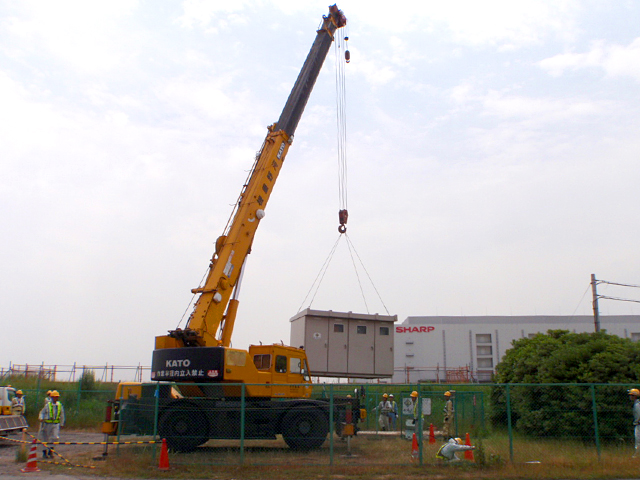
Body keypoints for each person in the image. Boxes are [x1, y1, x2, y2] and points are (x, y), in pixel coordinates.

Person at [39, 390, 65, 459]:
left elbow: (62, 414)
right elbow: (42, 412)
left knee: (55, 437)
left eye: (57, 397)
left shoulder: (59, 405)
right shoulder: (48, 405)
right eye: (55, 397)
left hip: (56, 424)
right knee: (45, 438)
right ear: (52, 397)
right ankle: (44, 452)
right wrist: (41, 418)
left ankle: (51, 451)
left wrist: (62, 423)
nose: (56, 398)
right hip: (47, 424)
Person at [630, 388, 640, 456]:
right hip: (638, 424)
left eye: (632, 395)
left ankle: (637, 455)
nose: (630, 396)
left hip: (639, 425)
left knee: (638, 440)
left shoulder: (637, 405)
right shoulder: (636, 403)